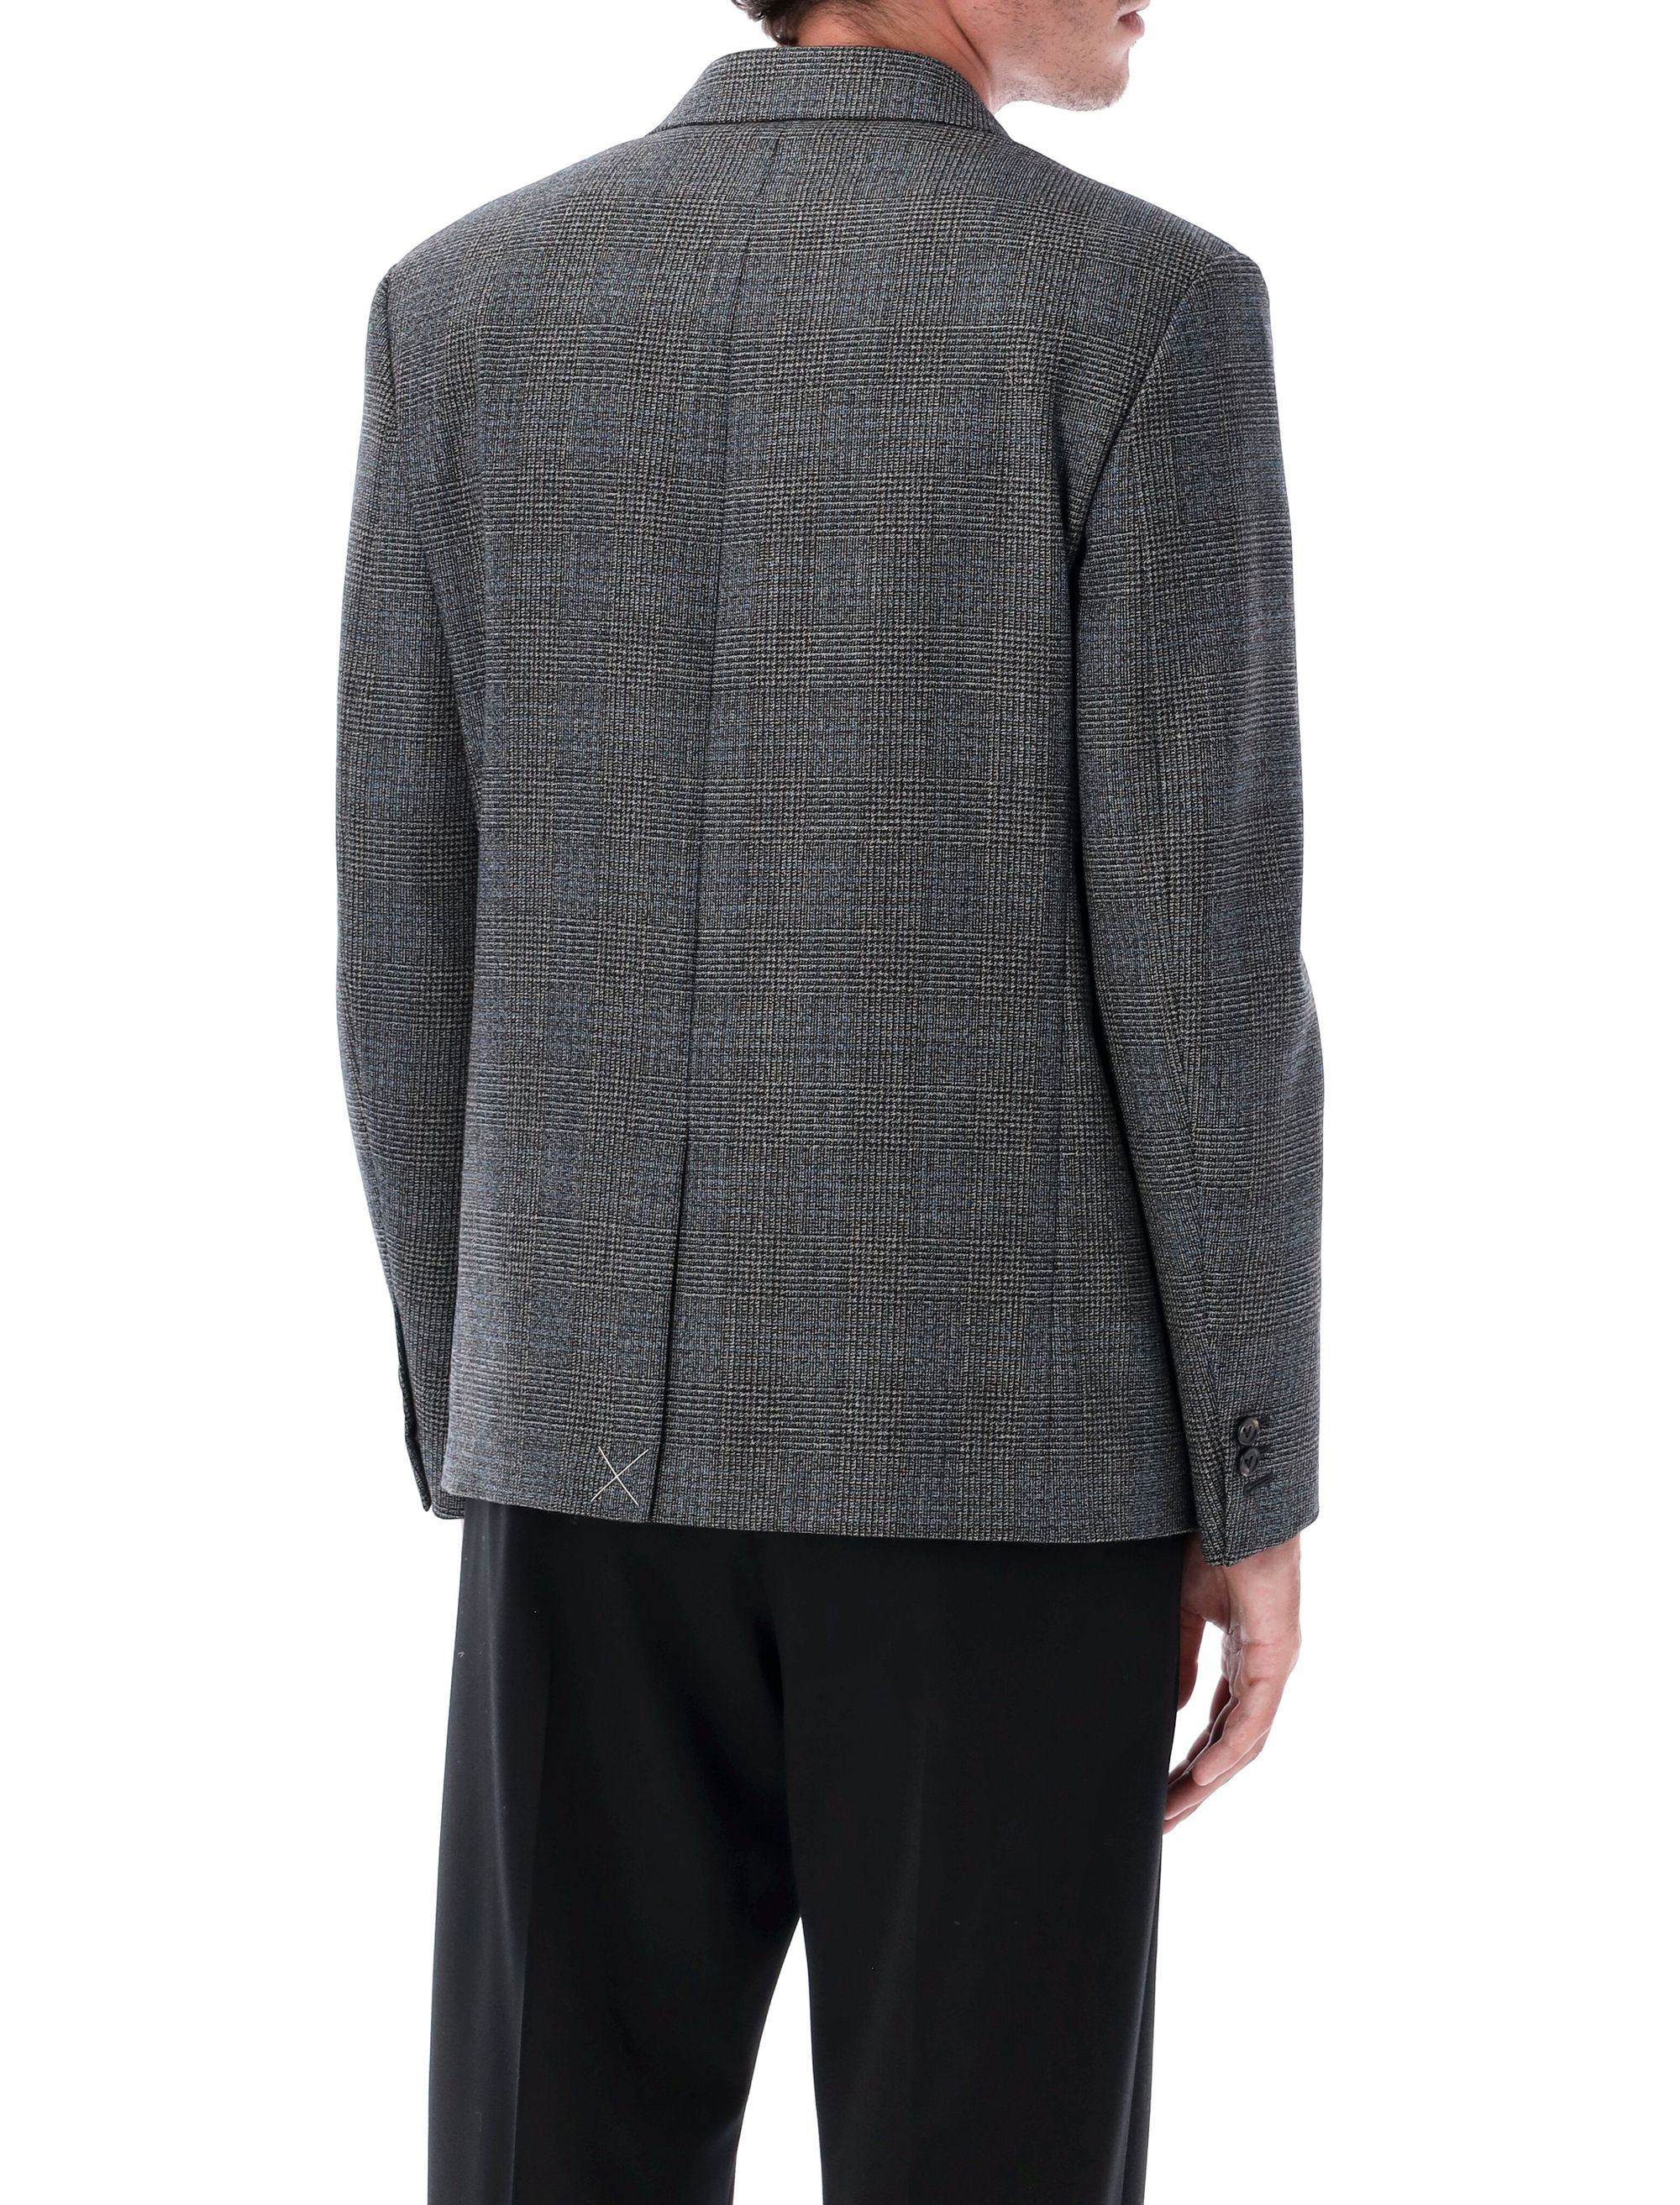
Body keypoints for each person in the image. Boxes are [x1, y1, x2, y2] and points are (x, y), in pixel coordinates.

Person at [336, 1, 1323, 2197]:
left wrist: (486, 1398)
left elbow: (406, 929)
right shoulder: (1143, 312)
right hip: (1008, 1481)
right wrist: (1249, 1480)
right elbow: (1205, 968)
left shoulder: (468, 304)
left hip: (578, 1452)